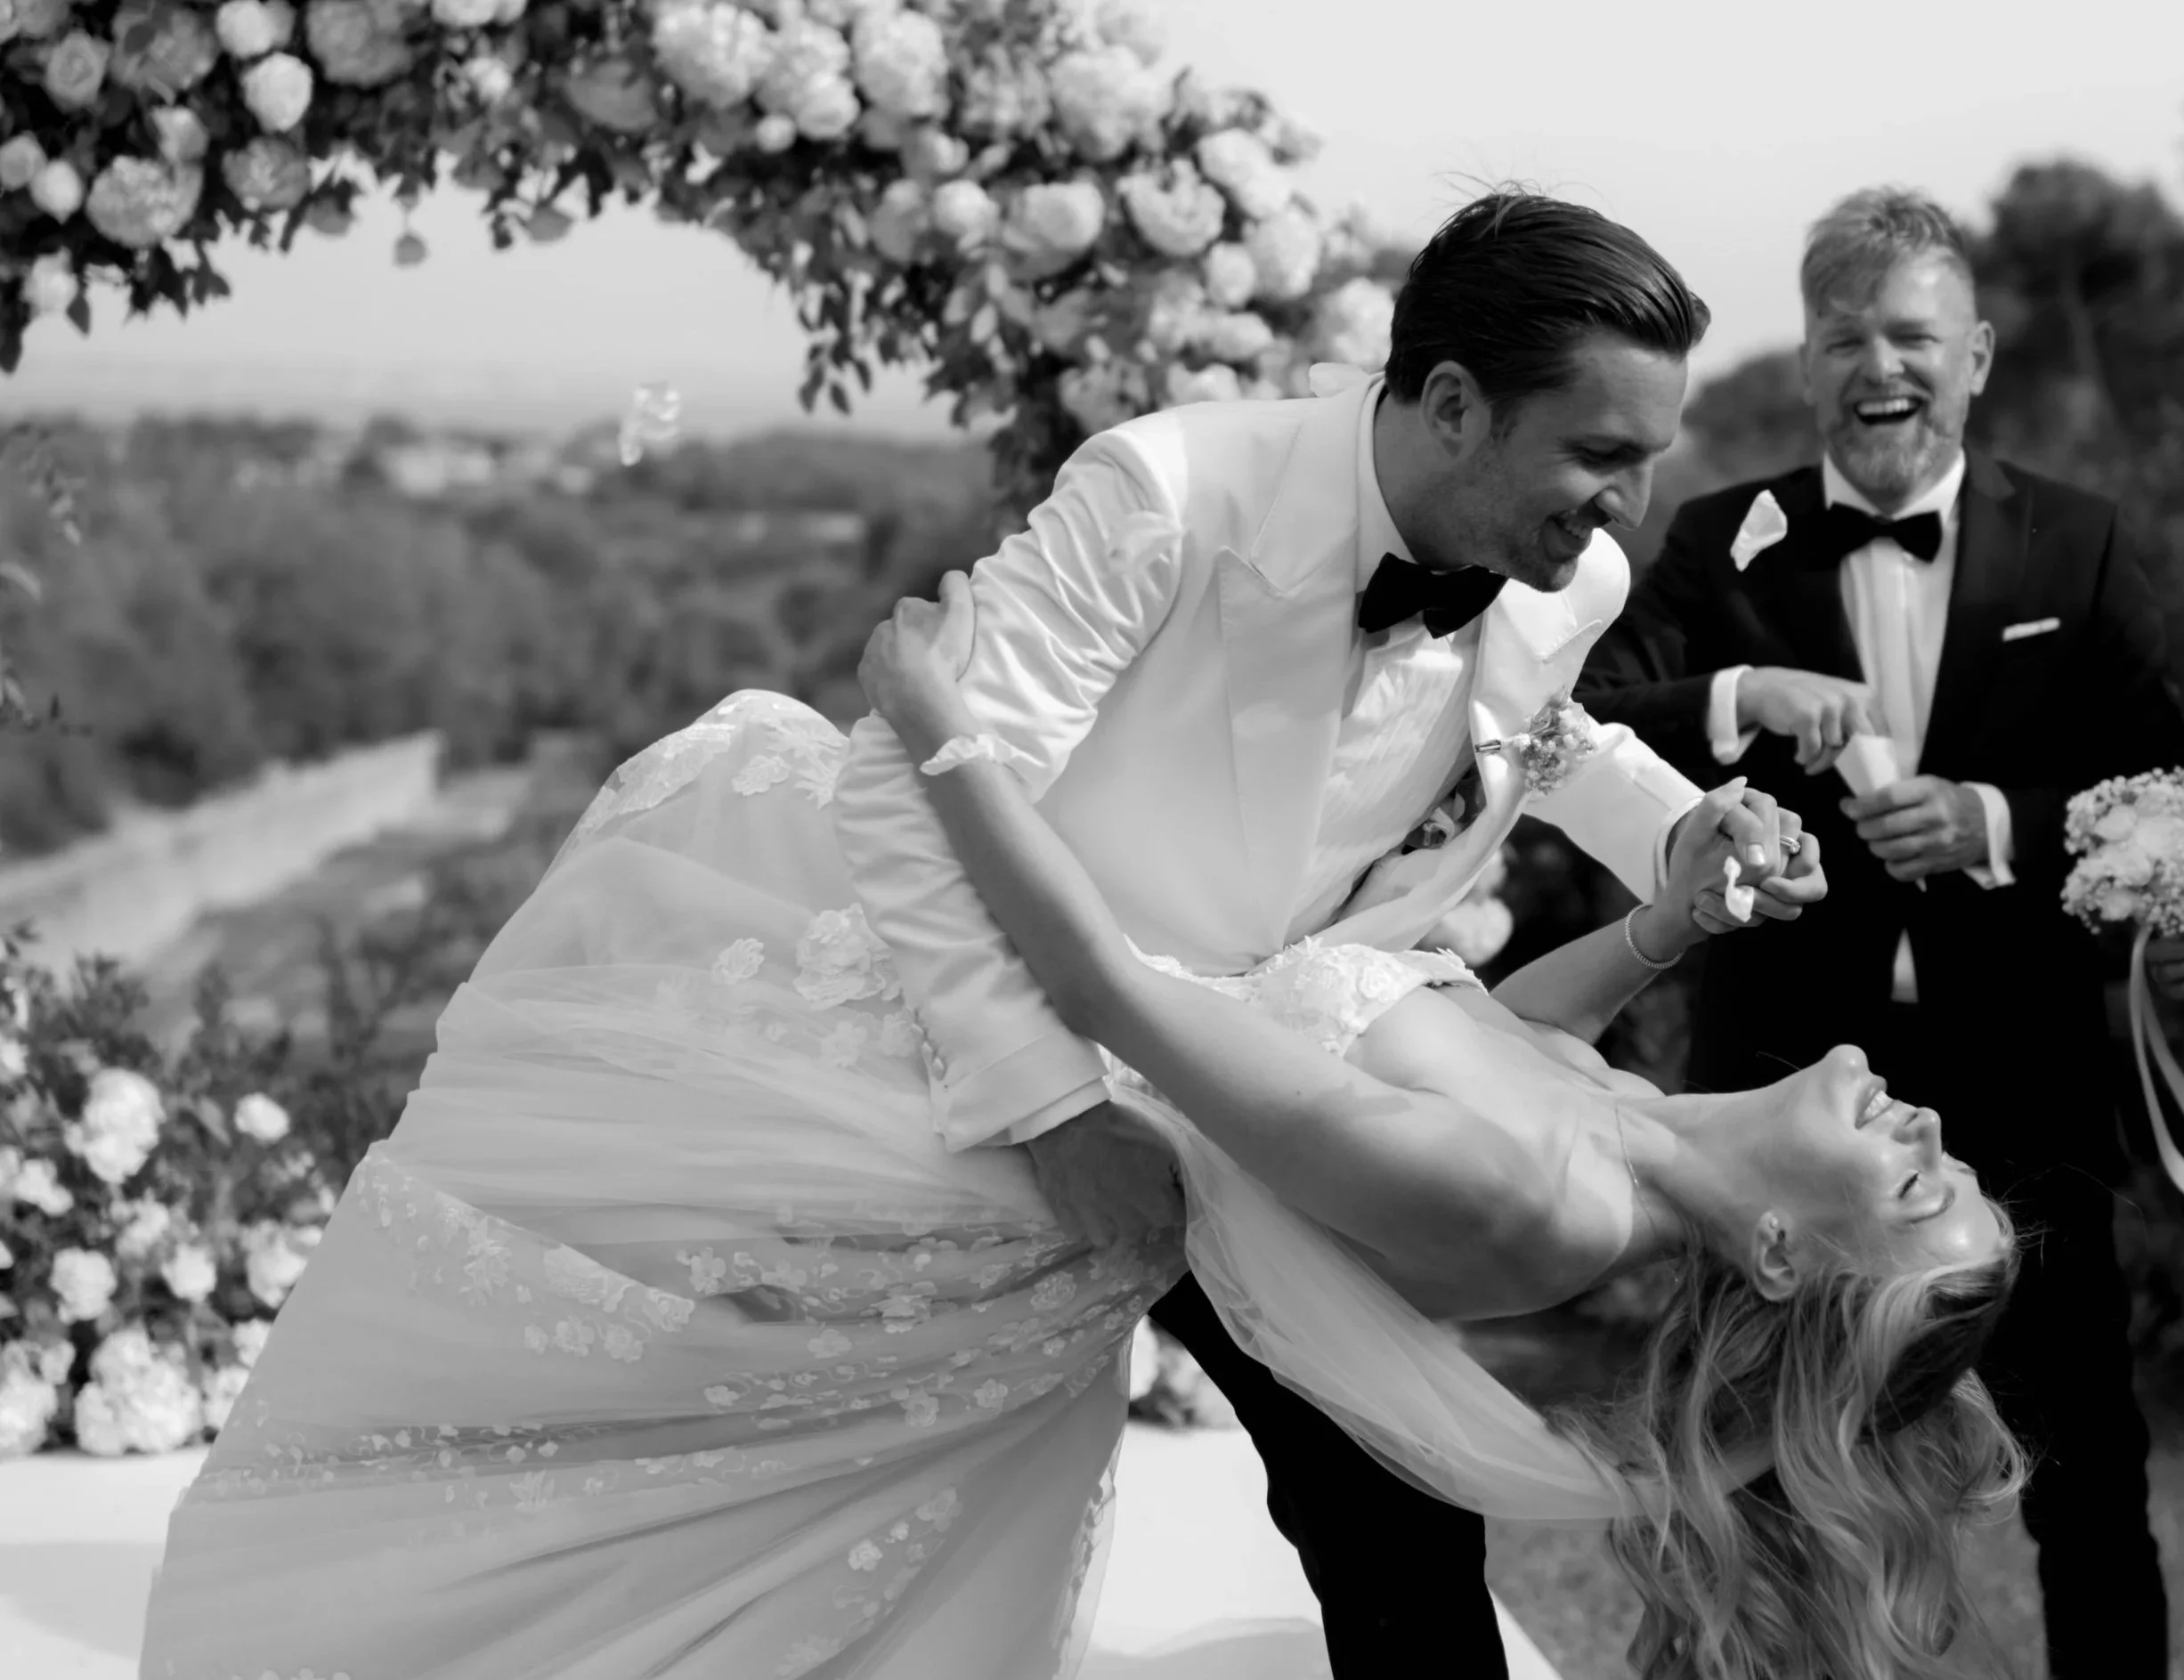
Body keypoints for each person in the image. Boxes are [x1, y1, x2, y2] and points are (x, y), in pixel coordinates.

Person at [140, 631, 2019, 1680]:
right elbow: (1489, 1043)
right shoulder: (1614, 1169)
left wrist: (933, 727)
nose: (1928, 1127)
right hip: (1027, 1093)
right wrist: (1666, 921)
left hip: (968, 1130)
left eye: (1922, 1185)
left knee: (616, 1419)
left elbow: (1118, 999)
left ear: (1783, 1262)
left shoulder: (1532, 1209)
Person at [829, 189, 1824, 1678]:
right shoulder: (1164, 494)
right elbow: (902, 797)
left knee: (1396, 1512)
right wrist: (1048, 1109)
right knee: (819, 1482)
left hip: (1264, 1099)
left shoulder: (1574, 570)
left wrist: (1681, 833)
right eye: (1602, 454)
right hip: (996, 1053)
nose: (1630, 503)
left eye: (1651, 459)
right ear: (1450, 404)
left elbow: (1540, 735)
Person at [1575, 186, 2184, 1678]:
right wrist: (1740, 702)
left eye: (1912, 334)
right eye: (1844, 336)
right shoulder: (1725, 543)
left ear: (1975, 353)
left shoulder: (2082, 546)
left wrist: (1995, 823)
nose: (1880, 366)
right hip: (1790, 1103)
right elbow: (1580, 720)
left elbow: (2181, 793)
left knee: (2088, 1472)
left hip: (2026, 1096)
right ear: (1806, 365)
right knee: (1751, 1459)